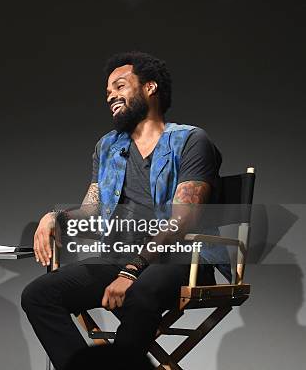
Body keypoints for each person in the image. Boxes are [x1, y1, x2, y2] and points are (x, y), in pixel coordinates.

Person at [21, 52, 229, 369]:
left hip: (180, 260)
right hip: (119, 256)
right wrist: (54, 217)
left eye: (119, 86)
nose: (111, 97)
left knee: (139, 294)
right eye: (107, 92)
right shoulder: (107, 146)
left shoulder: (190, 140)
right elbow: (92, 211)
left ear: (150, 87)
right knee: (38, 295)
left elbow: (184, 219)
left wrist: (130, 271)